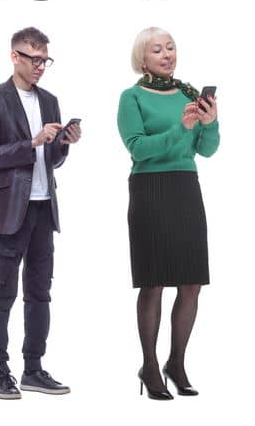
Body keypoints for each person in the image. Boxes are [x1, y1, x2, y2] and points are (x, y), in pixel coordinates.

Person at [0, 27, 79, 399]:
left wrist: (62, 145)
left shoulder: (49, 100)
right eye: (34, 59)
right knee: (2, 293)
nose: (40, 66)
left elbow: (50, 161)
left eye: (45, 60)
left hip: (43, 208)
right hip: (9, 210)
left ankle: (34, 369)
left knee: (40, 293)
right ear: (14, 56)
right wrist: (31, 142)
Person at [118, 27, 219, 399]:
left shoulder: (190, 93)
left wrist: (210, 124)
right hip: (149, 188)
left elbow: (206, 150)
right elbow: (138, 148)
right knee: (154, 280)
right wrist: (181, 127)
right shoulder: (131, 97)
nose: (167, 54)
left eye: (171, 47)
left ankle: (176, 361)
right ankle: (149, 365)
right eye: (157, 49)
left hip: (185, 187)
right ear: (142, 58)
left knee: (191, 281)